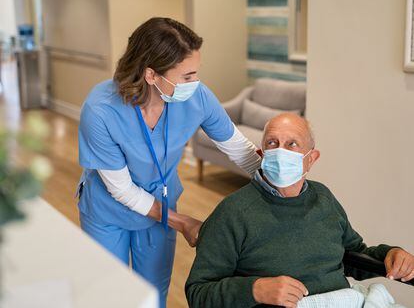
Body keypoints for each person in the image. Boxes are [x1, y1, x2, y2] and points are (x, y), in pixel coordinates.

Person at [77, 17, 261, 307]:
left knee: (153, 292)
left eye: (196, 73)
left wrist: (275, 178)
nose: (195, 83)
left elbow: (239, 148)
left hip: (160, 202)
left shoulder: (196, 97)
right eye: (187, 76)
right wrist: (181, 221)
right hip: (108, 210)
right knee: (107, 294)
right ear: (151, 75)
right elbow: (122, 190)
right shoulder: (100, 111)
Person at [185, 113, 414, 308]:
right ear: (262, 154)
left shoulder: (323, 198)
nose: (280, 152)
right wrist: (254, 289)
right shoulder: (233, 212)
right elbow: (198, 292)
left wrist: (389, 255)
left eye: (292, 144)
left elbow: (352, 255)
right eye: (272, 143)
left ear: (311, 158)